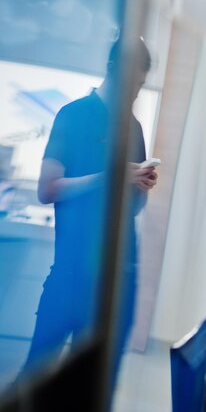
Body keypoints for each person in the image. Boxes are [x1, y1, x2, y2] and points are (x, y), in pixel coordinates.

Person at [21, 37, 157, 378]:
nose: (135, 94)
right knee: (37, 374)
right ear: (112, 70)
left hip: (115, 280)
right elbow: (47, 189)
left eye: (141, 86)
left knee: (94, 383)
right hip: (70, 273)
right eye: (132, 84)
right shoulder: (74, 115)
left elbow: (133, 207)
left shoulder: (134, 128)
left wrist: (141, 185)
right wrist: (110, 177)